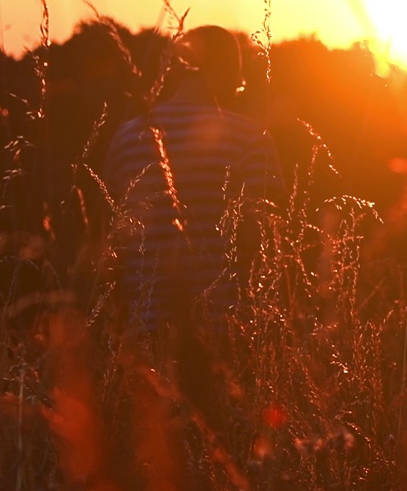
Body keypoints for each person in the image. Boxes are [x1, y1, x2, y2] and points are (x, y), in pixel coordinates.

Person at [104, 25, 285, 343]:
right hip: (225, 332)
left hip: (142, 336)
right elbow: (266, 243)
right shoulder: (250, 139)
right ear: (229, 71)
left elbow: (111, 241)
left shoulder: (127, 136)